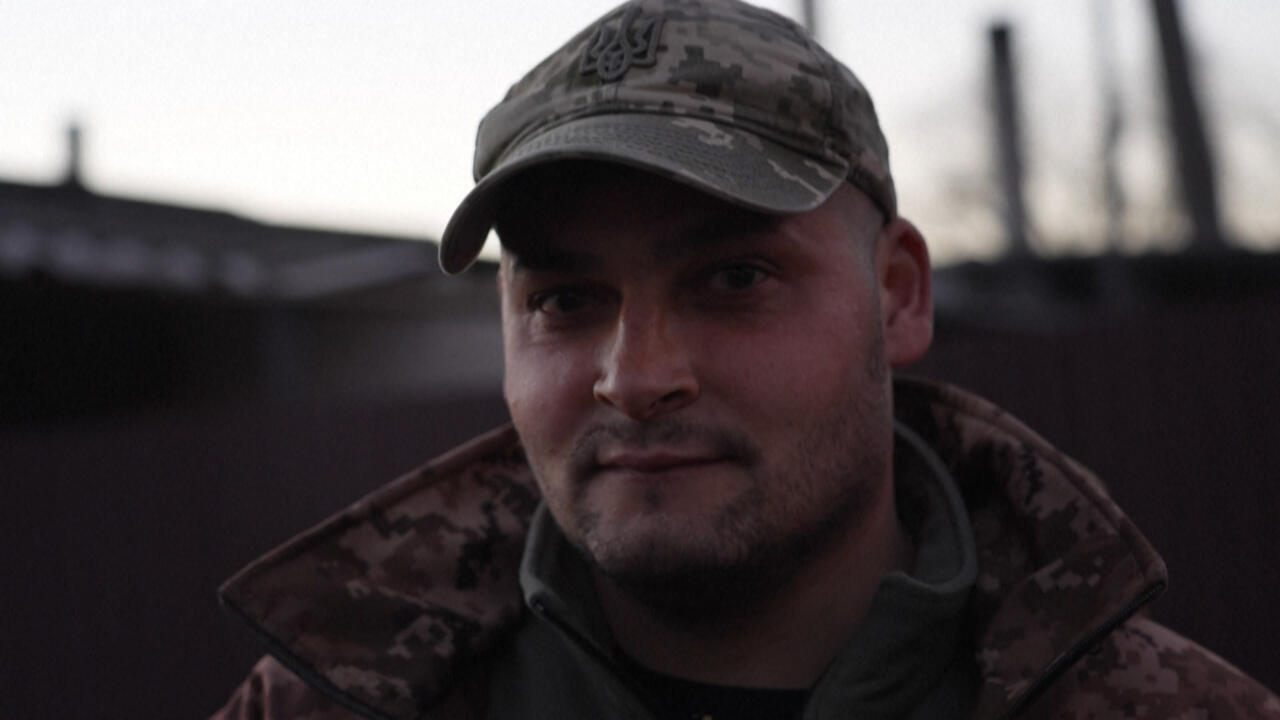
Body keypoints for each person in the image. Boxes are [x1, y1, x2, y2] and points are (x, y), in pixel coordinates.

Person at [212, 1, 1280, 718]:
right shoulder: (322, 705)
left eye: (732, 279)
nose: (635, 378)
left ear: (897, 295)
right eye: (565, 300)